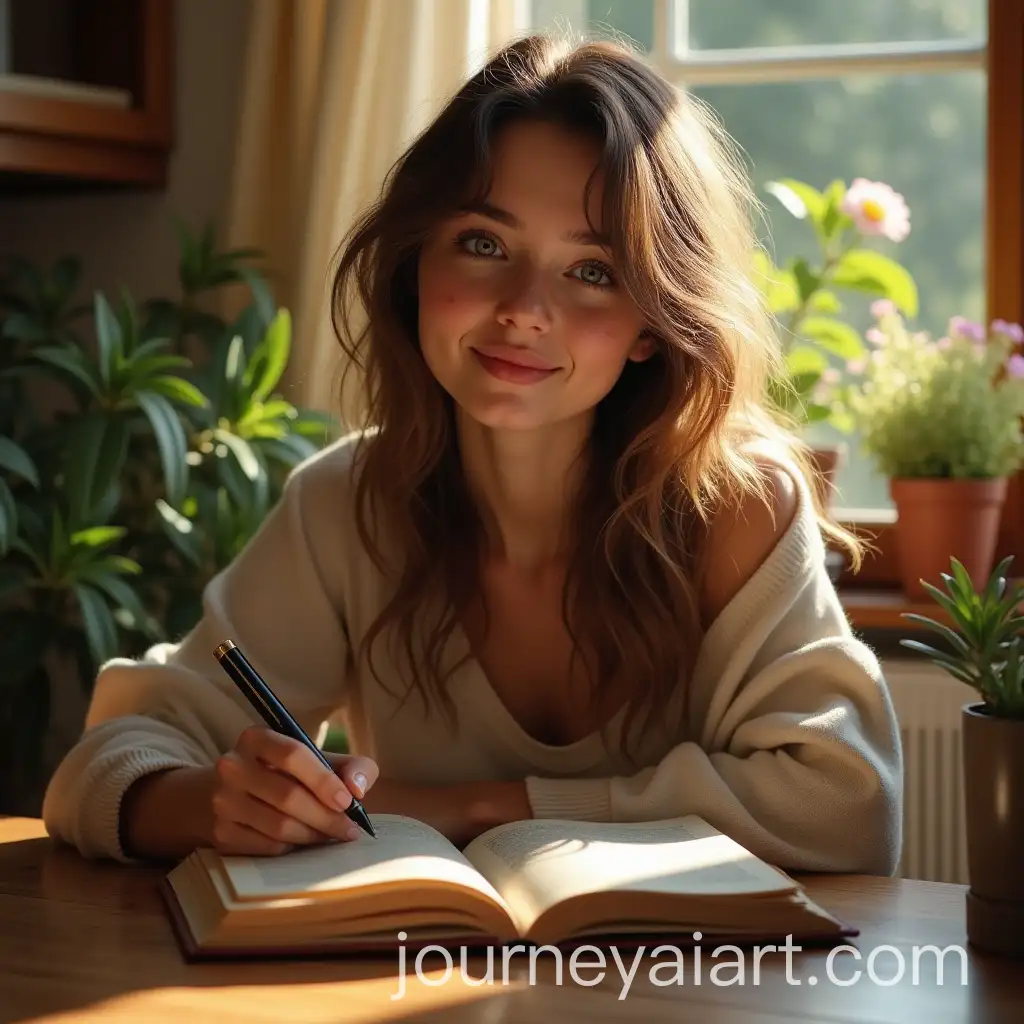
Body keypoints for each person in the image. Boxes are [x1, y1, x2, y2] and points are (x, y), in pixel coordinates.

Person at [42, 33, 902, 873]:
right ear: (417, 263)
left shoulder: (736, 511)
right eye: (485, 244)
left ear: (653, 322)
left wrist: (482, 808)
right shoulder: (347, 503)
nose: (525, 309)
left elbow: (849, 804)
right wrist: (218, 804)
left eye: (593, 271)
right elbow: (102, 767)